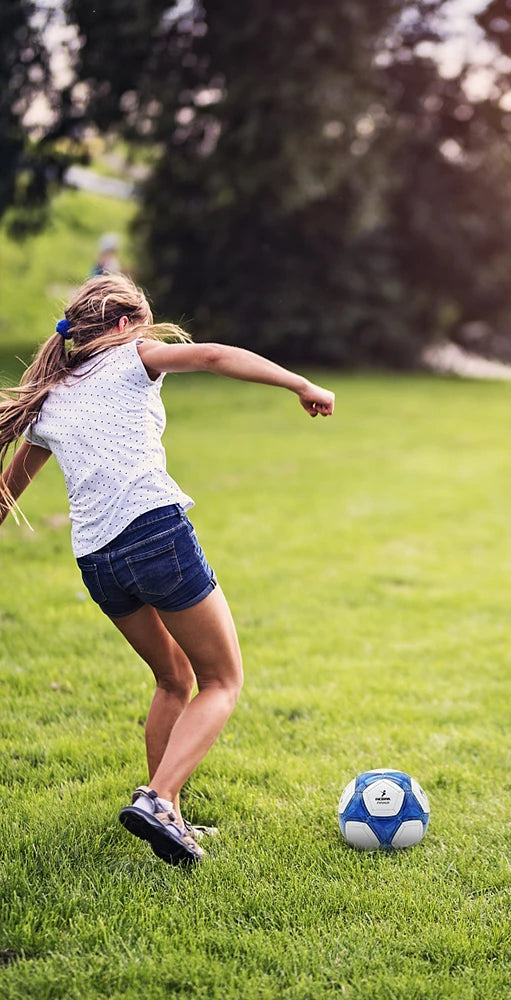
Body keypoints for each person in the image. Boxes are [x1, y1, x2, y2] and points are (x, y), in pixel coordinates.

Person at [0, 273, 335, 865]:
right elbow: (210, 354)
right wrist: (301, 383)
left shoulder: (51, 396)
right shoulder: (133, 357)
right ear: (127, 325)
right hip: (154, 533)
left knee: (173, 679)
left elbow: (10, 487)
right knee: (222, 681)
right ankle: (158, 796)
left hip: (97, 561)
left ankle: (167, 815)